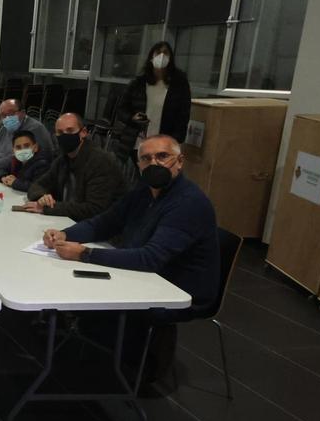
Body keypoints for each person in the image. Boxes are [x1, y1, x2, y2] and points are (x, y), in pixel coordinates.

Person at [43, 135, 218, 392]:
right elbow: (105, 222)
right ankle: (95, 352)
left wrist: (84, 254)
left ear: (179, 162)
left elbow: (150, 258)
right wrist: (66, 234)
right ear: (138, 164)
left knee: (85, 281)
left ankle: (123, 365)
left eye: (162, 156)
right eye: (146, 158)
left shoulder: (188, 203)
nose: (154, 163)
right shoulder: (143, 192)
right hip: (148, 274)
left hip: (175, 287)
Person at [20, 113, 126, 220]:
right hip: (70, 221)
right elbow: (37, 185)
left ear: (83, 133)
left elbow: (95, 209)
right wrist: (42, 198)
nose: (65, 136)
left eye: (70, 131)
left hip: (102, 228)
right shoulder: (62, 160)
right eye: (60, 132)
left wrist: (50, 208)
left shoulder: (100, 161)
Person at [118, 41, 192, 142]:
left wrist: (175, 139)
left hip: (163, 141)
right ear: (151, 57)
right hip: (136, 140)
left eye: (165, 52)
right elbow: (122, 109)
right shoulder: (138, 83)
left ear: (170, 58)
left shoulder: (179, 85)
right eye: (158, 52)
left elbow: (183, 115)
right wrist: (132, 118)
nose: (162, 56)